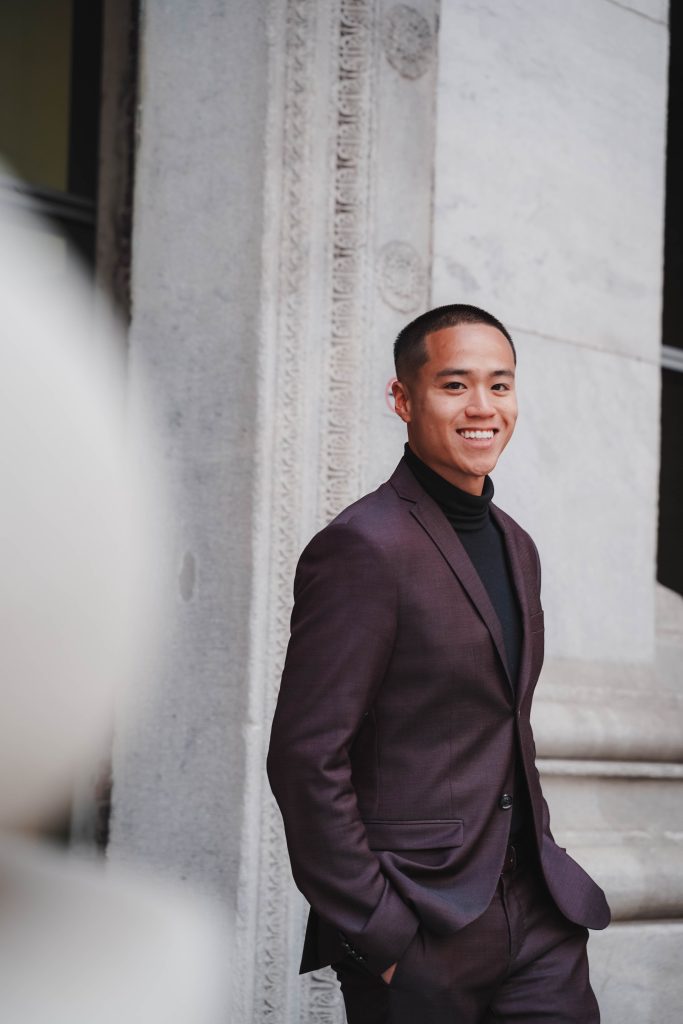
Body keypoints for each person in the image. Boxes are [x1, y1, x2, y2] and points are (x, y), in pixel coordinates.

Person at [267, 304, 609, 1023]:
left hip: (538, 917)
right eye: (454, 386)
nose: (482, 407)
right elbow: (305, 756)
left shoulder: (517, 546)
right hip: (422, 922)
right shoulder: (363, 546)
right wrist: (383, 933)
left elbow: (500, 721)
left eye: (499, 385)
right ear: (402, 398)